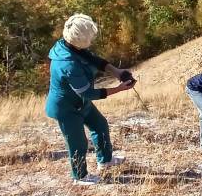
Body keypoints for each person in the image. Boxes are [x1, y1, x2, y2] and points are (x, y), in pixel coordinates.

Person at [45, 14, 135, 185]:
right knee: (78, 142)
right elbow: (89, 93)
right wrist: (118, 89)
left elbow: (93, 59)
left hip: (80, 103)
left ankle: (105, 160)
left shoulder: (69, 46)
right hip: (66, 108)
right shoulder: (67, 63)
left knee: (100, 125)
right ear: (79, 39)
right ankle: (80, 177)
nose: (92, 40)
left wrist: (117, 72)